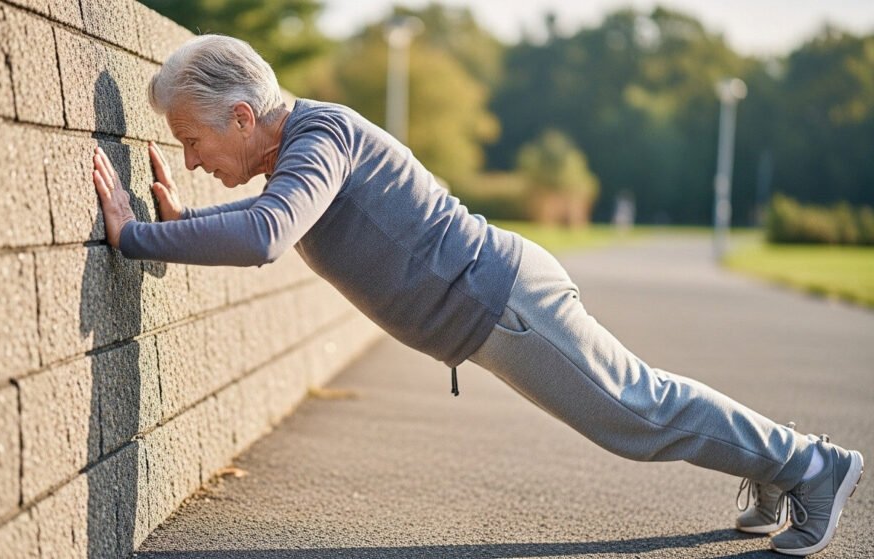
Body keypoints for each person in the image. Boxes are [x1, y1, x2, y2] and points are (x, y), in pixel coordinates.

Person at [91, 34, 863, 556]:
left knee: (638, 414)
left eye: (192, 141)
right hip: (500, 303)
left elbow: (266, 235)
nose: (190, 161)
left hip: (508, 305)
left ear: (242, 116)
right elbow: (268, 218)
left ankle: (812, 465)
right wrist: (184, 226)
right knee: (641, 406)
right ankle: (779, 464)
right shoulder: (300, 151)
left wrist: (138, 236)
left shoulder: (321, 136)